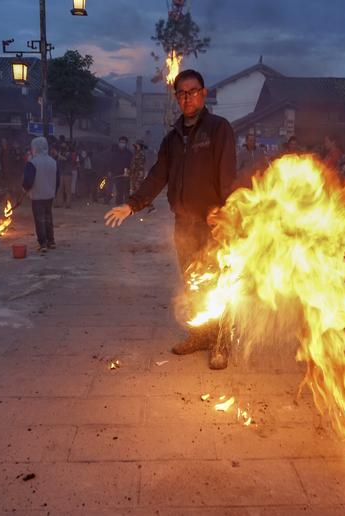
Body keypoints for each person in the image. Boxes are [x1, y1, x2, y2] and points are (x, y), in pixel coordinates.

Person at [104, 69, 236, 370]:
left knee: (216, 283)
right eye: (182, 93)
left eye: (193, 91)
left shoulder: (218, 129)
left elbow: (227, 174)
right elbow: (157, 175)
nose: (187, 97)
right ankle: (200, 335)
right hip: (184, 224)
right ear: (177, 98)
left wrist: (228, 217)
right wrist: (132, 204)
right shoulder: (172, 139)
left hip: (212, 223)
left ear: (204, 93)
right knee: (192, 283)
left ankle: (220, 343)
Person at [23, 137, 59, 252]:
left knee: (40, 220)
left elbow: (28, 180)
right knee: (48, 218)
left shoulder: (32, 162)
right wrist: (54, 191)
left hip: (37, 195)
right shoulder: (53, 162)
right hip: (49, 195)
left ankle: (43, 243)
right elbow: (57, 180)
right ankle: (51, 241)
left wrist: (25, 189)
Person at [110, 136, 133, 205]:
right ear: (119, 142)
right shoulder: (115, 152)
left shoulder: (129, 153)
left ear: (126, 143)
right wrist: (111, 171)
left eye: (123, 142)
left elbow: (131, 164)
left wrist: (129, 171)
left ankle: (127, 204)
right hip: (117, 174)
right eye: (121, 142)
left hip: (126, 175)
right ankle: (118, 203)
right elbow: (111, 162)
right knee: (119, 190)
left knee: (126, 190)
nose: (122, 144)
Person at [55, 142, 73, 208]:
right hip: (61, 173)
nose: (63, 148)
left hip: (67, 174)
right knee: (60, 189)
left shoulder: (69, 154)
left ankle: (68, 204)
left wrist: (58, 155)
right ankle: (59, 203)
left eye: (64, 147)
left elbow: (65, 159)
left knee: (67, 190)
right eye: (62, 147)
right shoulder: (60, 153)